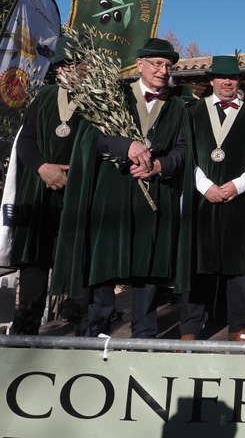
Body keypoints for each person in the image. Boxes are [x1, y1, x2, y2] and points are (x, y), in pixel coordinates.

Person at [52, 38, 193, 338]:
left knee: (148, 267)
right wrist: (125, 145)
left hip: (154, 197)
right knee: (104, 267)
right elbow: (91, 139)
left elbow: (182, 151)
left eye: (168, 65)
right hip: (111, 197)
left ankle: (144, 338)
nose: (163, 70)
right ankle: (97, 334)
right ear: (140, 64)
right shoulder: (113, 95)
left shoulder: (179, 107)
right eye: (157, 63)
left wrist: (159, 166)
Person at [180, 55, 245, 341]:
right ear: (212, 80)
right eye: (221, 77)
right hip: (202, 200)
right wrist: (204, 185)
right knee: (199, 266)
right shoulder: (192, 112)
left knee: (237, 269)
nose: (227, 82)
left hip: (238, 203)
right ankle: (190, 329)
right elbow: (186, 154)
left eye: (233, 77)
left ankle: (237, 327)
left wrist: (238, 185)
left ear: (239, 80)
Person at [0, 38, 86, 334]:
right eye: (64, 65)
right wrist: (43, 168)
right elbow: (25, 140)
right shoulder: (46, 95)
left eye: (76, 64)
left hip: (77, 195)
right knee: (35, 266)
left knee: (78, 266)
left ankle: (81, 335)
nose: (69, 70)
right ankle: (26, 333)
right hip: (38, 195)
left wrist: (77, 173)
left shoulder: (99, 99)